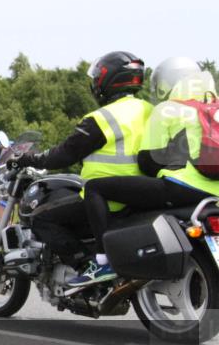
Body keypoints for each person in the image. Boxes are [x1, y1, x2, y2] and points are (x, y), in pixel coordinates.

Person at [16, 51, 153, 287]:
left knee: (42, 219)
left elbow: (64, 154)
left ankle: (86, 265)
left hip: (107, 201)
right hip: (142, 196)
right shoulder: (151, 111)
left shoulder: (102, 118)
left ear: (108, 81)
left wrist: (30, 159)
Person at [82, 59, 218, 274]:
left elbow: (148, 161)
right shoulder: (214, 108)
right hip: (213, 193)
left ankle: (104, 262)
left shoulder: (167, 110)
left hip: (181, 188)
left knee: (95, 188)